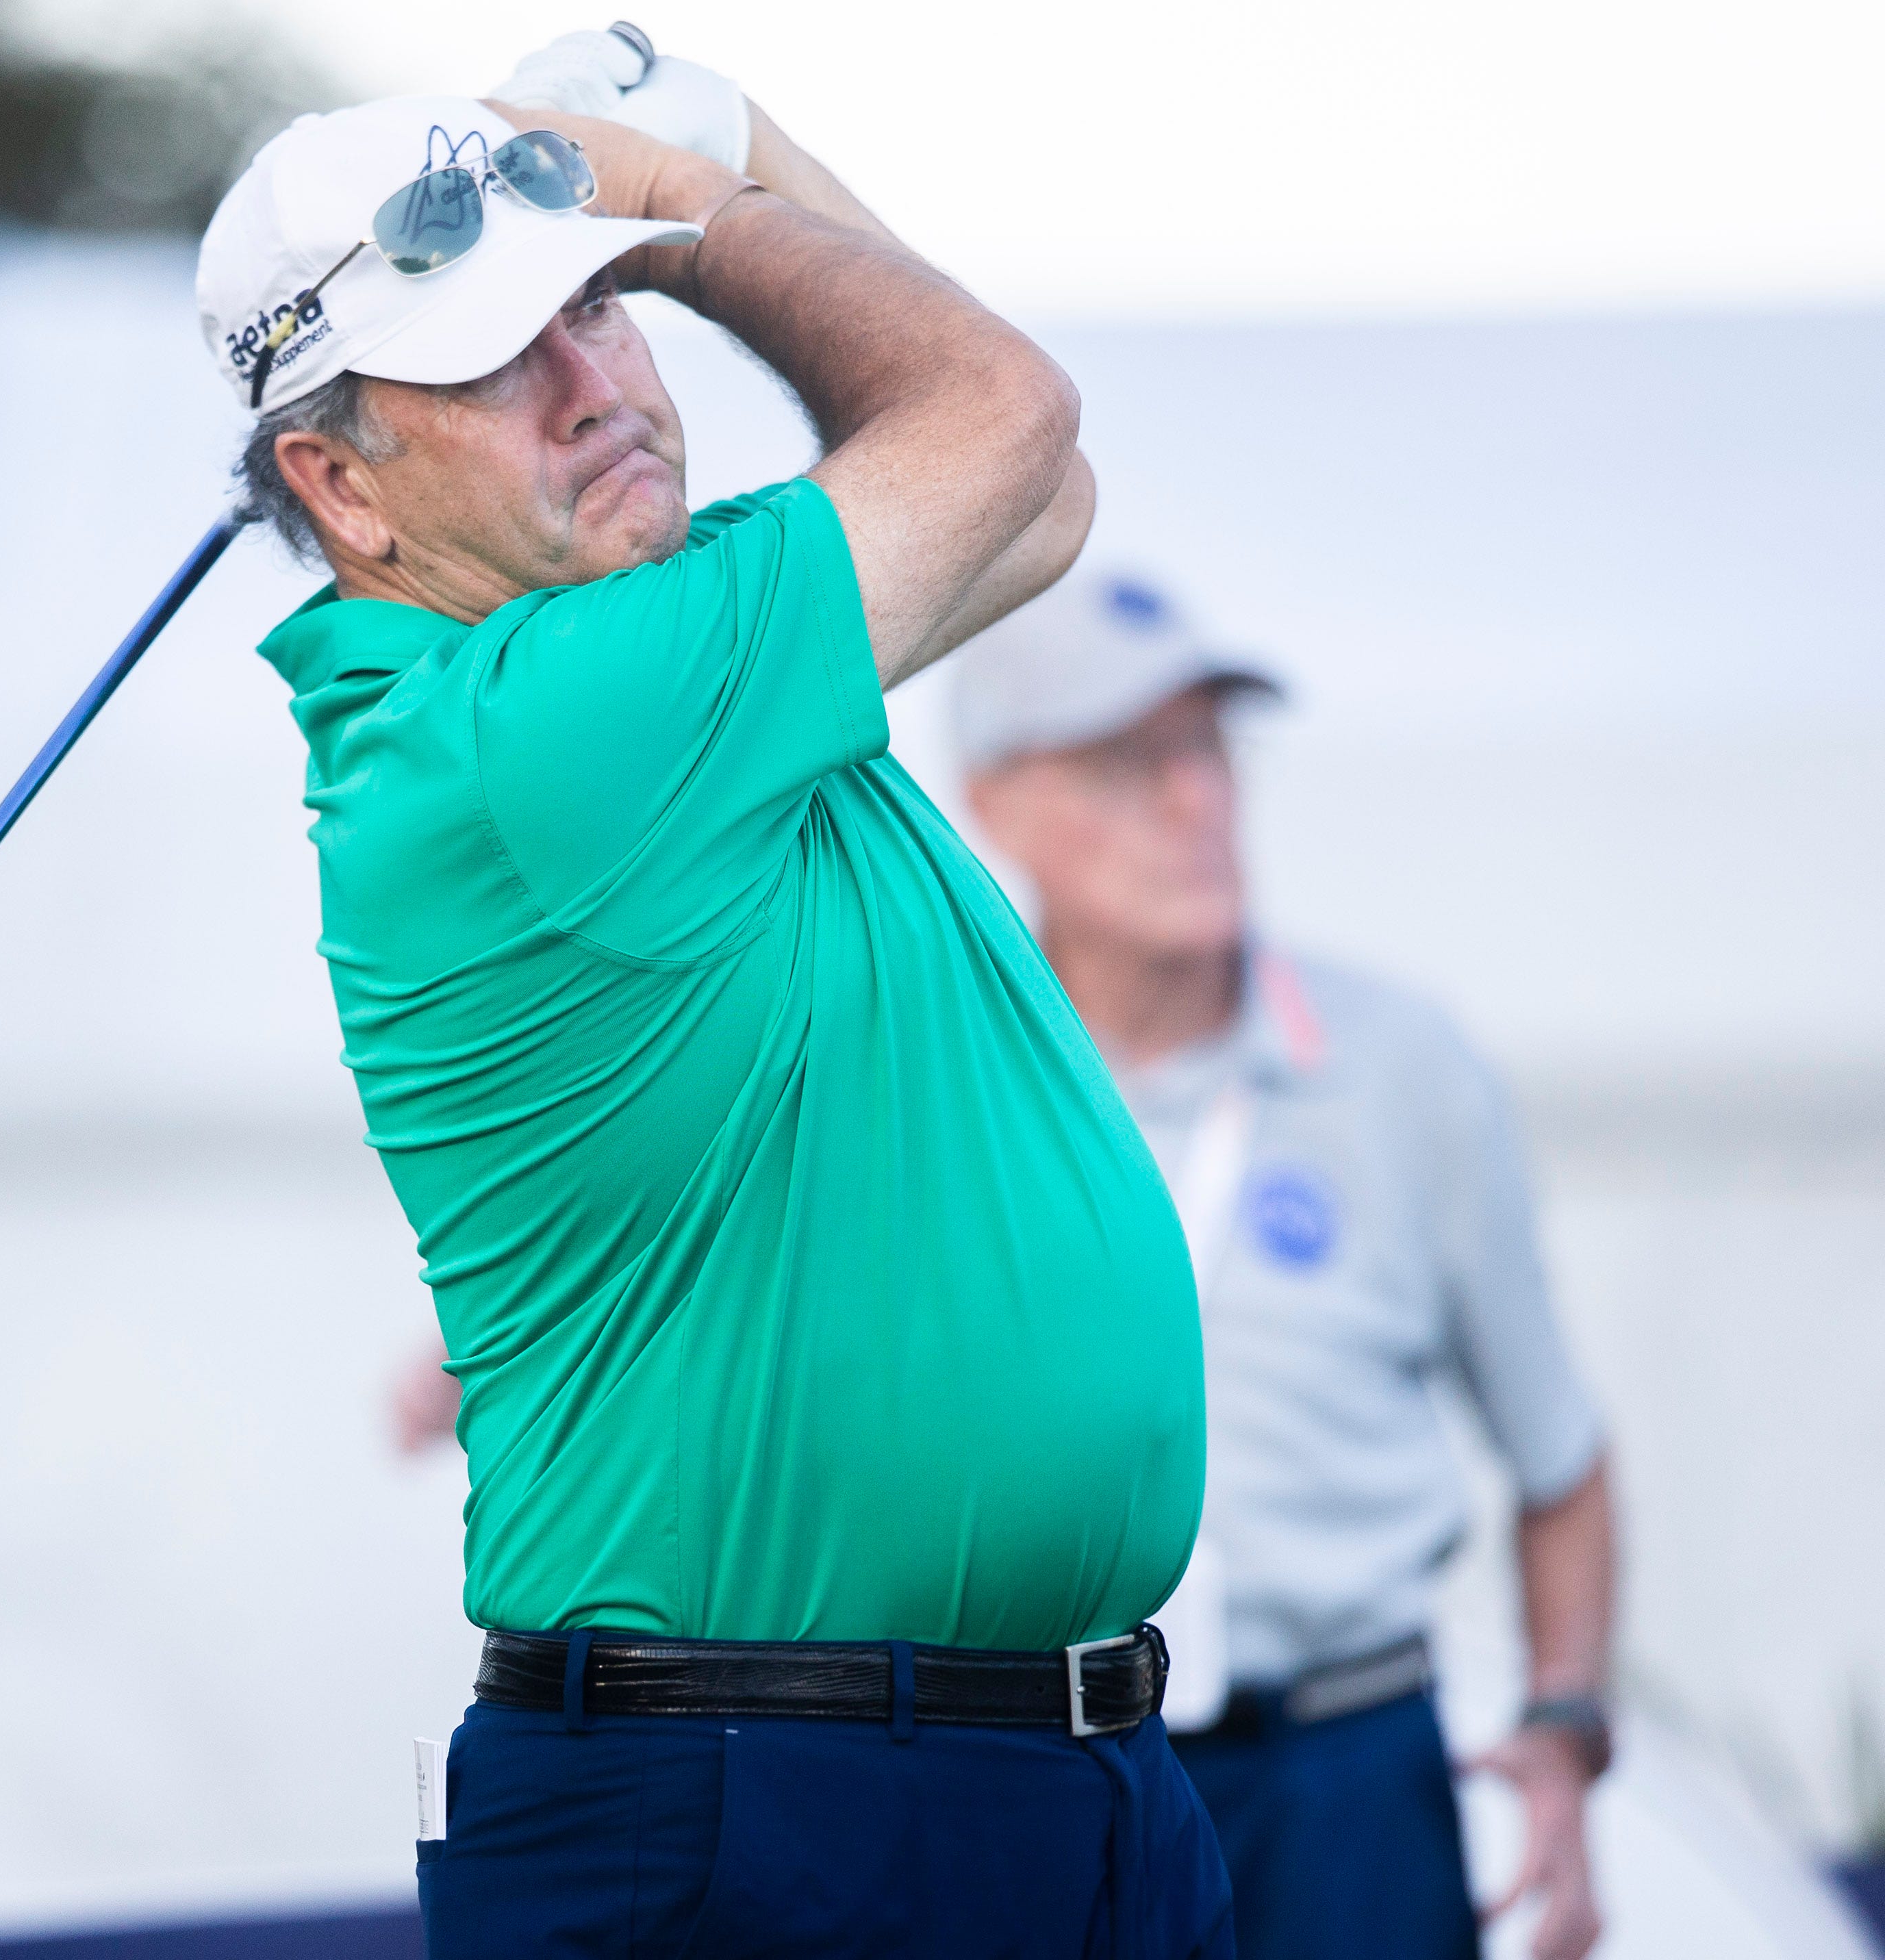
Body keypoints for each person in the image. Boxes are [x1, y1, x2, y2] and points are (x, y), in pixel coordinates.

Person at [201, 29, 1230, 1960]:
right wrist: (680, 196)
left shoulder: (645, 662)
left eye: (599, 311)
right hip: (763, 1817)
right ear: (341, 486)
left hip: (1008, 1789)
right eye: (500, 357)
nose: (597, 383)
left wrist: (725, 148)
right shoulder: (546, 728)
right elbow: (1003, 407)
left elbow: (1041, 491)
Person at [951, 574, 1616, 1960]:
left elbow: (1561, 1463)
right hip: (1032, 1770)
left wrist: (1562, 1727)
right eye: (1131, 763)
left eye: (1207, 749)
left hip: (1345, 1782)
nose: (1195, 801)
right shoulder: (939, 1089)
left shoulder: (1400, 1065)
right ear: (994, 804)